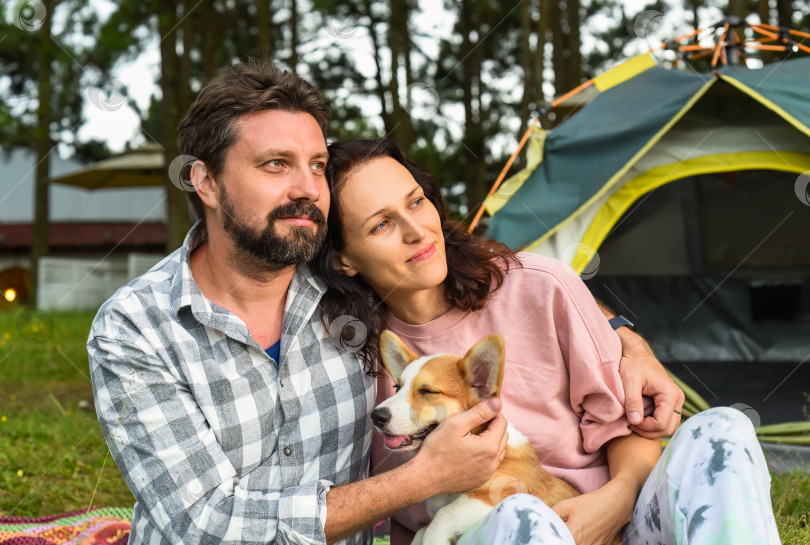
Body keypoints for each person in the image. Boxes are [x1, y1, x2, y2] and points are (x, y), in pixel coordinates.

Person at [88, 59, 682, 545]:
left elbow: (513, 297)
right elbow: (204, 525)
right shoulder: (136, 330)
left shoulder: (347, 301)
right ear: (206, 182)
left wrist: (626, 339)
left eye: (316, 166)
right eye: (275, 165)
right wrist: (420, 479)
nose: (304, 188)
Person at [313, 138, 782, 545]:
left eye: (416, 202)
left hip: (614, 524)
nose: (416, 231)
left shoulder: (540, 286)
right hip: (477, 531)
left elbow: (627, 429)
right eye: (381, 225)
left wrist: (615, 503)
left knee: (723, 429)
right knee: (520, 516)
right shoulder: (347, 358)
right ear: (345, 259)